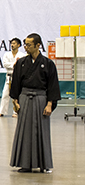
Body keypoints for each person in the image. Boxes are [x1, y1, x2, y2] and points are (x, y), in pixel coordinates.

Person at [10, 33, 60, 174]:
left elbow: (52, 85)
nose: (26, 47)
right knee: (24, 130)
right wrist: (15, 101)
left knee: (42, 131)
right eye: (25, 44)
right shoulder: (21, 63)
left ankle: (44, 164)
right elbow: (16, 84)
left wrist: (50, 103)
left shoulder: (48, 64)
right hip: (25, 97)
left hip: (41, 99)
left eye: (29, 45)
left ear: (38, 45)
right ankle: (25, 164)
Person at [0, 38, 26, 117]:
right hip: (9, 77)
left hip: (18, 77)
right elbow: (5, 65)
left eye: (14, 43)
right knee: (5, 94)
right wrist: (14, 64)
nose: (12, 45)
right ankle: (2, 111)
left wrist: (14, 65)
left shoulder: (22, 55)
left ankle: (16, 112)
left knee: (17, 95)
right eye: (11, 43)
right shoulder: (7, 54)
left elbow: (21, 66)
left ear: (18, 45)